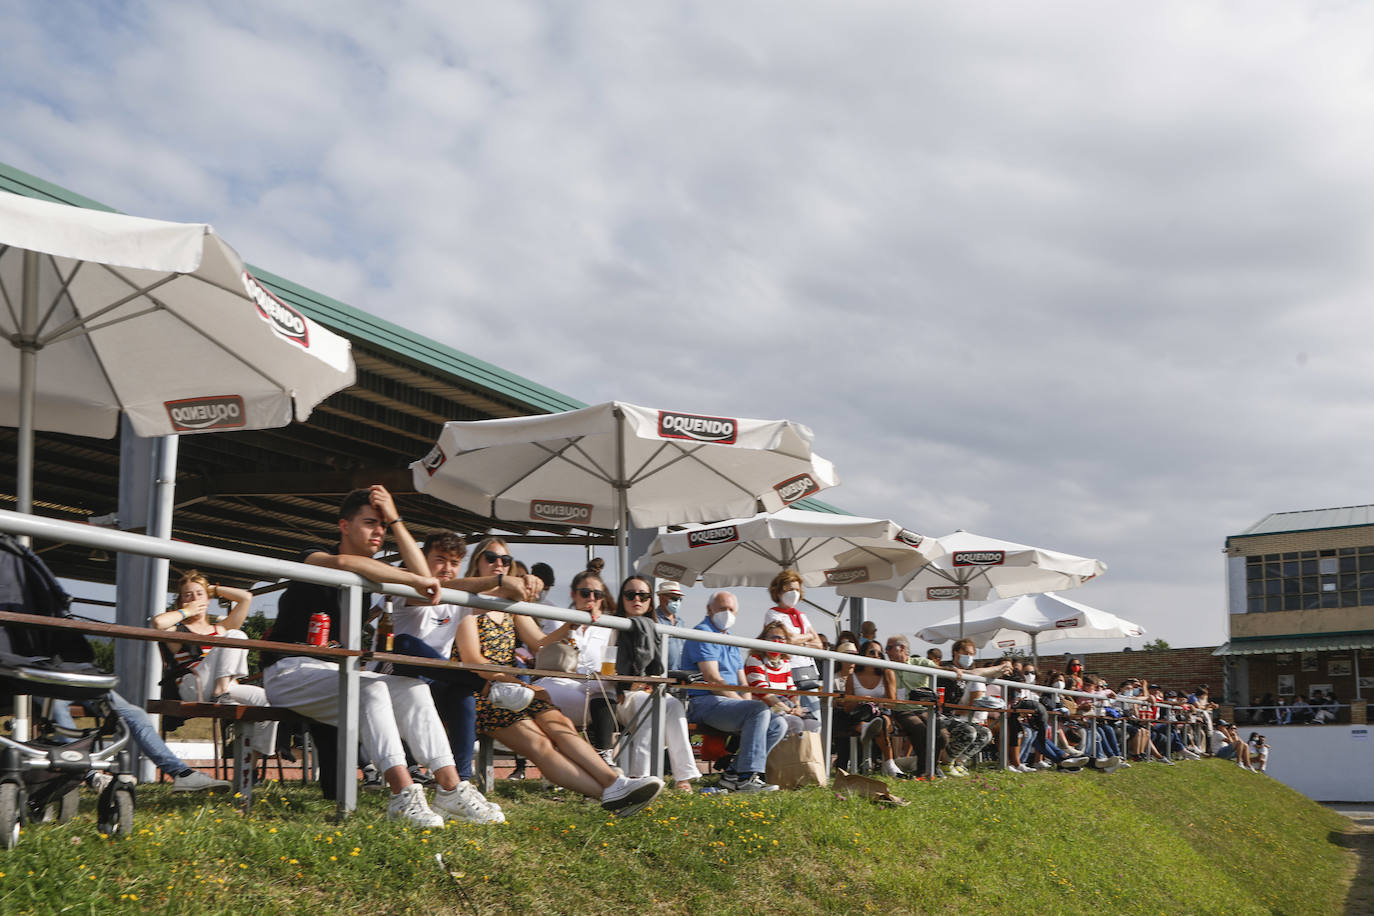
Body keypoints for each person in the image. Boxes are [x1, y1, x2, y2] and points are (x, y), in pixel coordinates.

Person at [261, 485, 498, 827]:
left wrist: (398, 521)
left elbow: (425, 582)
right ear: (344, 526)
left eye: (383, 526)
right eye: (370, 522)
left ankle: (451, 787)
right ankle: (402, 793)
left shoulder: (374, 578)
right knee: (371, 689)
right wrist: (415, 578)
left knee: (411, 687)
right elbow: (344, 563)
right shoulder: (313, 554)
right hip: (288, 671)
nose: (379, 532)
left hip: (335, 673)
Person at [454, 561, 663, 816]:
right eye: (492, 557)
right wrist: (514, 681)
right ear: (478, 563)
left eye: (505, 560)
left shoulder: (511, 608)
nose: (500, 564)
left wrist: (569, 626)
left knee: (561, 724)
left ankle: (615, 783)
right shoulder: (466, 605)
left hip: (513, 687)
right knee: (540, 744)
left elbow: (539, 643)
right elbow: (473, 661)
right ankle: (609, 795)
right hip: (484, 691)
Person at [383, 531, 533, 811]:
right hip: (398, 675)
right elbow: (430, 592)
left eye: (454, 563)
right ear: (422, 560)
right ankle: (487, 688)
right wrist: (500, 579)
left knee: (463, 693)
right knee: (405, 643)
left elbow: (511, 593)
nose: (447, 569)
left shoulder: (461, 596)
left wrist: (525, 581)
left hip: (437, 678)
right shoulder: (409, 586)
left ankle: (458, 786)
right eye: (440, 560)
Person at [151, 570, 277, 766]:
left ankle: (251, 764)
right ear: (181, 601)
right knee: (237, 636)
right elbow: (158, 623)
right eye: (188, 595)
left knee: (268, 702)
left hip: (225, 686)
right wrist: (188, 611)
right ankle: (221, 693)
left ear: (208, 599)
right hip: (193, 684)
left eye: (199, 594)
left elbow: (245, 598)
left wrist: (213, 589)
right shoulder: (178, 629)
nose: (194, 598)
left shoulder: (220, 629)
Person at [682, 591, 786, 793]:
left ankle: (732, 775)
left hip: (727, 703)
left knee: (778, 724)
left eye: (731, 610)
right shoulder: (702, 633)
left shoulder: (729, 639)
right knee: (757, 710)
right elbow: (712, 679)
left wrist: (744, 702)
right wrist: (744, 704)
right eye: (722, 609)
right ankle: (747, 776)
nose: (727, 614)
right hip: (703, 701)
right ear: (709, 609)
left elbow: (743, 682)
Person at [612, 576, 701, 791]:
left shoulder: (655, 630)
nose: (637, 599)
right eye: (630, 595)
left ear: (650, 600)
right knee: (651, 703)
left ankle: (683, 776)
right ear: (621, 599)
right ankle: (639, 776)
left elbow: (657, 671)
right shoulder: (612, 625)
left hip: (648, 691)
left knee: (673, 705)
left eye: (643, 595)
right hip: (618, 695)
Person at [51, 691, 230, 792]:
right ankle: (89, 776)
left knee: (135, 714)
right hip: (40, 677)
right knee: (56, 707)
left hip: (79, 677)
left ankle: (182, 774)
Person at [529, 559, 619, 761]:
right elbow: (540, 646)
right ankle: (583, 759)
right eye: (585, 593)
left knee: (603, 688)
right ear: (574, 594)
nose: (592, 599)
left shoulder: (610, 626)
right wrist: (569, 626)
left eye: (598, 595)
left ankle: (603, 757)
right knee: (547, 693)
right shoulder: (560, 619)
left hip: (595, 687)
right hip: (562, 682)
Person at [761, 570, 825, 714]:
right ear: (778, 592)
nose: (794, 593)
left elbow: (819, 644)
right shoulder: (773, 614)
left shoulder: (801, 616)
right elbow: (788, 640)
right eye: (790, 589)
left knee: (815, 718)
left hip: (807, 673)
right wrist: (807, 636)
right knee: (791, 716)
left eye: (797, 589)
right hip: (786, 673)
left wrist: (798, 641)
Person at [883, 634, 946, 775]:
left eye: (889, 648)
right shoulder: (886, 666)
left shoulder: (920, 663)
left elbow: (941, 671)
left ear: (902, 648)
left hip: (924, 709)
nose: (885, 651)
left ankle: (932, 767)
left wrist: (956, 670)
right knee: (920, 729)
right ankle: (925, 769)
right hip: (901, 709)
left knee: (942, 735)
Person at [743, 621, 818, 737]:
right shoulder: (755, 660)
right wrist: (789, 710)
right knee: (794, 723)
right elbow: (765, 694)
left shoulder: (785, 663)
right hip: (763, 706)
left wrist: (797, 706)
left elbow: (791, 690)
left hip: (784, 706)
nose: (777, 642)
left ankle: (804, 754)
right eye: (773, 638)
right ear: (764, 640)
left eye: (781, 639)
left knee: (813, 724)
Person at [845, 640, 904, 779]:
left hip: (882, 714)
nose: (876, 656)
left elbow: (891, 704)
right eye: (872, 652)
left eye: (879, 653)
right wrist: (860, 700)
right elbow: (847, 707)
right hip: (859, 716)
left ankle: (886, 762)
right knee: (875, 724)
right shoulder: (852, 677)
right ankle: (890, 765)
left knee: (880, 722)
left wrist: (873, 701)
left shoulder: (887, 673)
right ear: (863, 655)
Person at [653, 580, 687, 673]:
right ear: (661, 598)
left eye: (680, 599)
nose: (677, 602)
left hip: (679, 675)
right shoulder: (654, 620)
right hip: (661, 674)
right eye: (674, 598)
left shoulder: (681, 622)